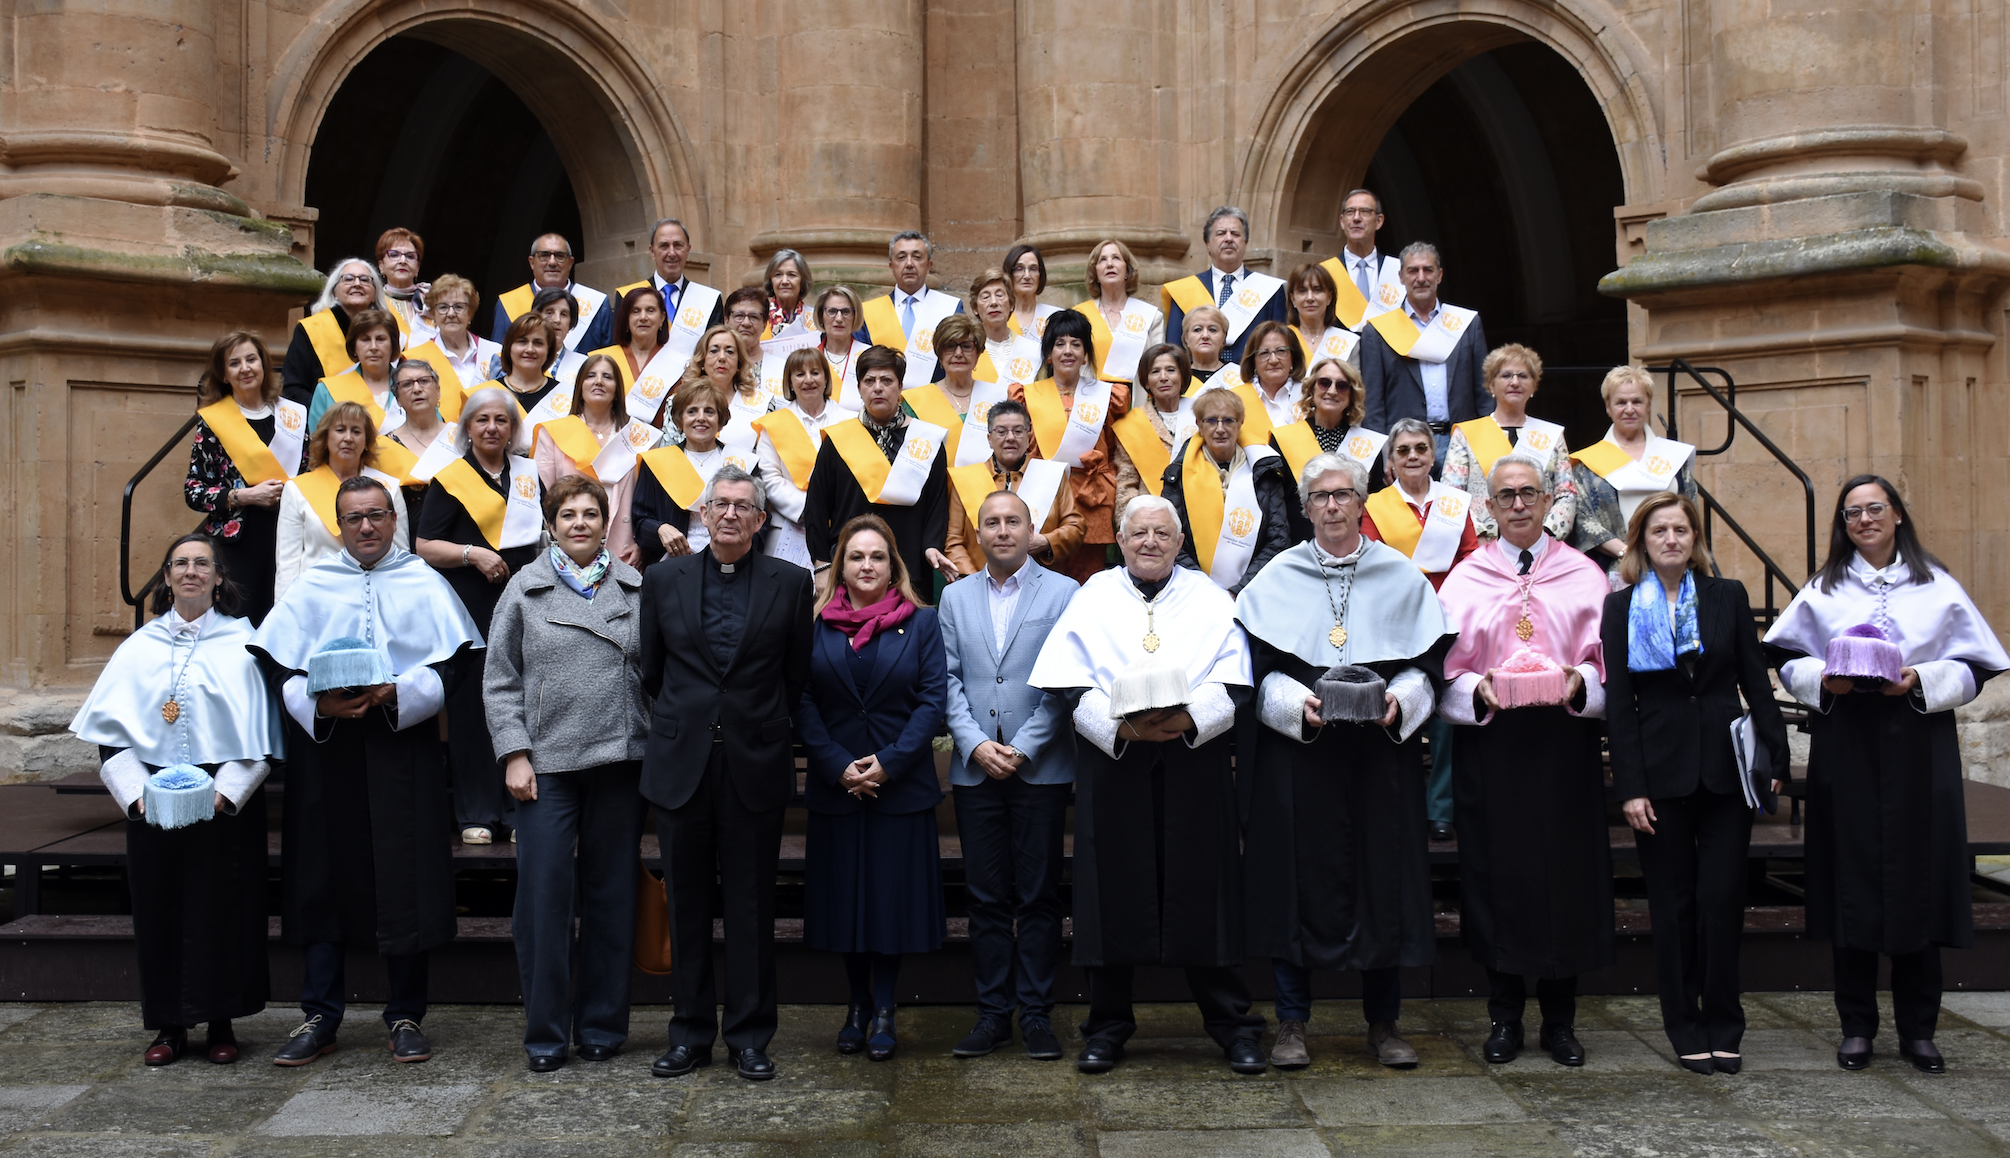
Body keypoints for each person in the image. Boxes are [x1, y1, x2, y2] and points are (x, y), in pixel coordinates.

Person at [1764, 476, 2010, 1075]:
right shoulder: (1824, 588)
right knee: (1852, 880)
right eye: (1852, 513)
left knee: (1918, 880)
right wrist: (1824, 679)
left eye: (1875, 508)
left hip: (1917, 741)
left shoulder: (1937, 585)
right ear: (1841, 524)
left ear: (1898, 514)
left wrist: (1919, 680)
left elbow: (1977, 666)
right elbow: (1785, 656)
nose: (1865, 520)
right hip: (1847, 738)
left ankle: (1919, 1030)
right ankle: (1856, 1027)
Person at [1027, 496, 1266, 1074]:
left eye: (1162, 533)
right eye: (1139, 533)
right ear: (1121, 538)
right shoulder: (1095, 595)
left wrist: (1184, 722)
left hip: (1193, 761)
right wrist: (1121, 727)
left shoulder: (1210, 599)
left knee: (1203, 887)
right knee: (1113, 889)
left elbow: (1235, 677)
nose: (1150, 542)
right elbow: (1066, 683)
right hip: (1116, 763)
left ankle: (1233, 1024)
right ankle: (1107, 1026)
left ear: (1179, 542)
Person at [251, 475, 479, 1067]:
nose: (367, 527)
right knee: (320, 876)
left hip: (401, 747)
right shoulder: (313, 585)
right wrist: (318, 703)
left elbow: (454, 665)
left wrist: (398, 691)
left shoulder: (422, 581)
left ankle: (405, 1013)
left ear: (394, 519)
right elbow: (276, 665)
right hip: (328, 751)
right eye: (354, 519)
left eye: (377, 515)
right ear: (340, 525)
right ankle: (319, 1015)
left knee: (405, 873)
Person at [1235, 453, 1450, 1070]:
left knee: (1382, 879)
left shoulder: (1400, 575)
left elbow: (1429, 662)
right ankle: (1291, 1024)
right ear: (1305, 510)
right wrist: (1290, 703)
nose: (1332, 506)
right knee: (1291, 882)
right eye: (1321, 497)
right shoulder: (1276, 577)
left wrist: (1403, 698)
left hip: (1379, 759)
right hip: (1300, 761)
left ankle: (1384, 1024)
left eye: (1344, 495)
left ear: (1362, 502)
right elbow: (1252, 670)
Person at [69, 533, 283, 1066]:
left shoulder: (243, 642)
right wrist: (140, 799)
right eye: (181, 564)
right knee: (161, 908)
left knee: (223, 908)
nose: (191, 571)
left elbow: (259, 740)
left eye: (202, 564)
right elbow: (111, 739)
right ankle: (168, 1026)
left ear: (218, 577)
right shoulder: (137, 648)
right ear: (166, 578)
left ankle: (221, 1023)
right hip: (153, 799)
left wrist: (223, 796)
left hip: (221, 801)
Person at [1435, 452, 1612, 1068]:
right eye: (1505, 494)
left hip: (1564, 744)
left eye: (1527, 494)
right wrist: (1475, 690)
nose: (1516, 504)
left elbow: (1607, 662)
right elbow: (1444, 671)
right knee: (1496, 878)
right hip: (1495, 746)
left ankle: (1560, 1021)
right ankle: (1504, 1017)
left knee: (1566, 877)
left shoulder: (1587, 575)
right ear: (1488, 506)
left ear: (1546, 502)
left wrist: (1580, 681)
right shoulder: (1465, 578)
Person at [640, 465, 816, 1082]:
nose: (731, 515)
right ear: (704, 513)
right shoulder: (662, 580)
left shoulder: (791, 583)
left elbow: (795, 675)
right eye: (721, 505)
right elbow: (653, 673)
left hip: (754, 762)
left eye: (744, 506)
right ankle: (689, 1034)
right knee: (686, 904)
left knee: (750, 905)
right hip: (682, 761)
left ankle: (748, 1035)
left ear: (761, 520)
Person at [1603, 492, 1788, 1075]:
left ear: (1695, 538)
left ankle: (1724, 1023)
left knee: (1720, 900)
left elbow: (1756, 684)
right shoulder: (1622, 607)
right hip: (1658, 775)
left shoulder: (1726, 596)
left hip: (1725, 773)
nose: (1671, 539)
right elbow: (1620, 708)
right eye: (1659, 531)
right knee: (1673, 905)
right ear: (1641, 543)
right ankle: (1684, 1025)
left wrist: (1776, 758)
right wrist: (1629, 786)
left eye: (1681, 530)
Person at [484, 474, 648, 1073]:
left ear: (606, 521)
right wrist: (514, 752)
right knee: (544, 900)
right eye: (567, 514)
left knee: (612, 896)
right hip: (546, 767)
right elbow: (500, 679)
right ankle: (547, 1034)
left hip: (620, 761)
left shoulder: (636, 588)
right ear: (550, 524)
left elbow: (656, 676)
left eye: (590, 513)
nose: (579, 523)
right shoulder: (523, 591)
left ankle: (603, 1025)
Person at [795, 516, 947, 1061]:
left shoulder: (922, 624)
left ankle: (884, 1007)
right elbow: (802, 700)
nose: (866, 566)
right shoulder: (814, 623)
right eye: (856, 557)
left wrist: (888, 764)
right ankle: (855, 1006)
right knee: (845, 903)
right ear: (841, 565)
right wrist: (837, 765)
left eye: (877, 557)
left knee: (888, 903)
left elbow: (933, 702)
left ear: (893, 566)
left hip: (898, 788)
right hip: (837, 787)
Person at [939, 490, 1080, 1061]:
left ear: (1031, 529)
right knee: (986, 896)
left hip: (1039, 767)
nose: (1002, 531)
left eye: (1012, 522)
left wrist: (1020, 749)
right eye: (991, 522)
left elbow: (1068, 682)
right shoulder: (953, 597)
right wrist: (974, 745)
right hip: (976, 772)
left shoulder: (1065, 592)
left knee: (1040, 896)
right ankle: (993, 1014)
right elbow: (945, 679)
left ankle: (1039, 1015)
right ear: (977, 532)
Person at [414, 387, 545, 845]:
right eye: (482, 420)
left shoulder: (528, 476)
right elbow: (425, 545)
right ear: (467, 427)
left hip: (525, 603)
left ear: (512, 429)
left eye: (501, 420)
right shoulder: (451, 477)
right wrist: (474, 554)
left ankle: (517, 807)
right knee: (473, 708)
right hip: (469, 604)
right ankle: (478, 811)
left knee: (521, 702)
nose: (492, 428)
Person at [1362, 417, 1480, 843]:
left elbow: (1471, 556)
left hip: (1449, 622)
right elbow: (1371, 562)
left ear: (1433, 455)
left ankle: (1440, 807)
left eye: (1421, 448)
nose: (1413, 456)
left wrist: (1450, 599)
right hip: (1396, 623)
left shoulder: (1455, 502)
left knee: (1447, 714)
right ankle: (1400, 805)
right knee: (1400, 708)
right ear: (1390, 462)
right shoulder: (1374, 506)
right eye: (1403, 450)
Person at [801, 345, 950, 584]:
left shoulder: (926, 440)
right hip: (849, 566)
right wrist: (821, 564)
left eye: (887, 380)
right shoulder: (838, 440)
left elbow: (937, 505)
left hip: (909, 567)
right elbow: (817, 506)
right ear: (859, 388)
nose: (878, 387)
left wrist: (932, 545)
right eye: (869, 381)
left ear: (901, 387)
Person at [185, 331, 305, 625]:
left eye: (252, 359)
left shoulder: (292, 415)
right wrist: (244, 496)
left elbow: (310, 472)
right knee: (241, 623)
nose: (245, 368)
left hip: (288, 534)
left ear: (263, 364)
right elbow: (194, 491)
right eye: (234, 363)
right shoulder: (214, 420)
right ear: (224, 375)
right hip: (238, 542)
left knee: (283, 620)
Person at [1012, 309, 1127, 583]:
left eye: (1076, 344)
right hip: (1044, 498)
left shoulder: (1107, 396)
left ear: (1086, 353)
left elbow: (1112, 445)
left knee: (1090, 582)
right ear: (1048, 354)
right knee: (1044, 581)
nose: (1068, 351)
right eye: (1060, 344)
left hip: (1092, 497)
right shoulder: (1028, 396)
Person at [1359, 243, 1492, 451]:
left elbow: (1484, 393)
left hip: (1461, 444)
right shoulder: (1377, 332)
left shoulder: (1466, 324)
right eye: (1413, 271)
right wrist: (1384, 454)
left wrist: (1486, 444)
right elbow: (1373, 404)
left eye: (1428, 270)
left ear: (1439, 276)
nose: (1421, 278)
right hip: (1405, 448)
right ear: (1401, 277)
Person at [1570, 365, 1698, 579]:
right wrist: (1626, 552)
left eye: (1637, 401)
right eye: (1621, 402)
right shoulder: (1588, 463)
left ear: (1648, 405)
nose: (1629, 409)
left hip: (1673, 566)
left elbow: (1690, 510)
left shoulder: (1673, 457)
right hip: (1617, 568)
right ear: (1608, 407)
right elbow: (1582, 520)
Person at [534, 353, 661, 567]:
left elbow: (651, 503)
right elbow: (542, 500)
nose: (599, 381)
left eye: (607, 377)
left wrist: (642, 545)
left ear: (618, 389)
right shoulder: (553, 433)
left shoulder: (640, 437)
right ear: (580, 385)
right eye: (591, 375)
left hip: (625, 550)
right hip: (570, 548)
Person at [274, 401, 410, 600]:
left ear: (366, 441)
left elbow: (400, 554)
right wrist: (283, 613)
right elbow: (288, 564)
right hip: (318, 597)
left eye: (356, 431)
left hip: (377, 595)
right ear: (326, 437)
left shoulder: (389, 487)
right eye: (340, 430)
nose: (348, 438)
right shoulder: (296, 489)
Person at [1441, 344, 1576, 541]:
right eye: (1506, 376)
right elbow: (1452, 495)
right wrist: (1481, 536)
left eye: (1523, 376)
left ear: (1533, 385)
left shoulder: (1551, 435)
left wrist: (1547, 535)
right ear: (1491, 385)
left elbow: (1567, 494)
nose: (1515, 382)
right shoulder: (1466, 434)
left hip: (1542, 546)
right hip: (1483, 546)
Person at [1164, 389, 1291, 593]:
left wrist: (1240, 590)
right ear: (1199, 425)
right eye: (1211, 420)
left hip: (1254, 591)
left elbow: (1278, 540)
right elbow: (1169, 537)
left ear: (1241, 423)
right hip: (1193, 592)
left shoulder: (1264, 471)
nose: (1220, 428)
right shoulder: (1177, 473)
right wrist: (1205, 588)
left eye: (1228, 420)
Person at [942, 398, 1083, 578]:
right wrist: (975, 582)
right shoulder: (966, 479)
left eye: (1018, 431)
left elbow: (1075, 526)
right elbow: (953, 541)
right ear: (989, 439)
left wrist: (1047, 541)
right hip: (980, 580)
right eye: (1001, 432)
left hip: (1039, 584)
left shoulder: (1052, 475)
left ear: (1028, 436)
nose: (1010, 438)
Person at [633, 381, 758, 565]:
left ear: (721, 421)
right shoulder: (656, 462)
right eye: (692, 411)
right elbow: (640, 522)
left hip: (732, 564)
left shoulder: (742, 463)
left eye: (709, 411)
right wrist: (660, 529)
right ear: (679, 420)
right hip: (673, 565)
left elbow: (760, 520)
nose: (701, 418)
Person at [1161, 206, 1289, 366]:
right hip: (1198, 384)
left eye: (1235, 234)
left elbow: (1279, 343)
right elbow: (1175, 349)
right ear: (1208, 243)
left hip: (1252, 383)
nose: (1229, 239)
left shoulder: (1270, 289)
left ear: (1245, 242)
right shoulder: (1184, 290)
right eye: (1221, 233)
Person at [1272, 356, 1383, 539]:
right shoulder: (1282, 440)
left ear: (1351, 395)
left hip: (1353, 549)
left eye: (1342, 386)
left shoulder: (1369, 444)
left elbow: (1374, 508)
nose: (1332, 391)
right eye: (1324, 383)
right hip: (1299, 547)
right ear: (1312, 390)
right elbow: (1276, 507)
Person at [753, 348, 845, 568]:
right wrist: (812, 512)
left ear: (825, 378)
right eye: (800, 374)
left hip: (841, 527)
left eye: (815, 372)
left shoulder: (849, 420)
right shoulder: (773, 424)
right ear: (790, 382)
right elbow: (769, 478)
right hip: (790, 526)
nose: (808, 380)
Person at [612, 217, 726, 385]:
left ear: (688, 250)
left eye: (678, 245)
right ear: (652, 251)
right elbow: (619, 347)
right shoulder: (627, 296)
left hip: (691, 394)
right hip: (638, 389)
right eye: (664, 246)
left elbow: (714, 352)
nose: (671, 253)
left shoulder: (709, 299)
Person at [860, 231, 965, 388]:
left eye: (917, 257)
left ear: (929, 265)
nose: (909, 264)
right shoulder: (868, 312)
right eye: (901, 257)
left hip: (937, 401)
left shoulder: (950, 307)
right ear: (891, 266)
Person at [1110, 344, 1199, 515]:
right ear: (1146, 381)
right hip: (1153, 519)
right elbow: (1126, 483)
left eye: (1171, 370)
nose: (1163, 377)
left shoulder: (1202, 414)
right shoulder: (1131, 424)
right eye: (1155, 371)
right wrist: (1133, 528)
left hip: (1199, 514)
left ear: (1183, 376)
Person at [903, 314, 1000, 469]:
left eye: (966, 346)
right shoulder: (915, 401)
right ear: (939, 354)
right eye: (950, 346)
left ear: (978, 354)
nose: (958, 353)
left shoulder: (999, 396)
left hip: (992, 487)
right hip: (938, 489)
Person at [490, 232, 612, 354]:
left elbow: (608, 360)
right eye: (544, 255)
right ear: (532, 262)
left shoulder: (597, 303)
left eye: (560, 256)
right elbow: (499, 357)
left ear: (570, 263)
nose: (552, 262)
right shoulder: (508, 303)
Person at [281, 258, 382, 404]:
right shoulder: (311, 329)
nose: (357, 284)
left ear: (374, 293)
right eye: (348, 279)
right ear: (334, 290)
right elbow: (293, 388)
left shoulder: (387, 332)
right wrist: (325, 412)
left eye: (365, 280)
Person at [1074, 239, 1166, 385]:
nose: (1109, 264)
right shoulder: (1079, 316)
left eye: (1116, 258)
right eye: (1102, 260)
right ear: (1095, 273)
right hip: (1089, 402)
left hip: (1137, 402)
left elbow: (1160, 365)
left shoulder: (1151, 316)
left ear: (1128, 271)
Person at [382, 358, 457, 533]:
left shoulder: (462, 437)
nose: (417, 389)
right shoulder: (385, 446)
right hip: (409, 536)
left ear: (438, 390)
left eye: (424, 381)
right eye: (407, 384)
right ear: (398, 398)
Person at [401, 274, 501, 401]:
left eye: (459, 307)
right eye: (443, 307)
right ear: (433, 314)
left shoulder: (495, 353)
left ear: (470, 313)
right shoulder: (415, 360)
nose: (451, 313)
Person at [1318, 189, 1404, 333]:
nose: (1356, 218)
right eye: (1350, 212)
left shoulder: (1398, 271)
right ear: (1342, 221)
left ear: (1379, 221)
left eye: (1365, 211)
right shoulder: (1324, 273)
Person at [305, 307, 400, 433]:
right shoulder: (326, 391)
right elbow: (318, 445)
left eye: (380, 339)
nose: (373, 347)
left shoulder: (415, 385)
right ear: (354, 347)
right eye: (365, 340)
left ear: (393, 345)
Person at [483, 313, 564, 452]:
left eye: (538, 343)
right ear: (509, 347)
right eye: (522, 341)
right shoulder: (485, 394)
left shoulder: (565, 396)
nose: (530, 349)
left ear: (549, 350)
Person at [588, 286, 670, 416]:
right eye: (635, 311)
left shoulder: (679, 364)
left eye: (650, 310)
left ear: (662, 318)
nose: (643, 317)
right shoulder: (600, 359)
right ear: (626, 319)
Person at [969, 266, 1044, 388]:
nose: (994, 302)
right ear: (975, 308)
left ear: (1011, 304)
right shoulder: (968, 349)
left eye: (999, 295)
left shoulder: (1033, 350)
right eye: (986, 297)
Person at [1285, 261, 1359, 367]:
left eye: (1317, 290)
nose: (1310, 298)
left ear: (1329, 297)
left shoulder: (1348, 342)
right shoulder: (1282, 338)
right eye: (1302, 291)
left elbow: (1354, 382)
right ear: (1293, 299)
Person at [1236, 319, 1307, 430]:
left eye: (1281, 351)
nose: (1273, 360)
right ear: (1253, 360)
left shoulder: (1309, 396)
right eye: (1264, 353)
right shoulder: (1235, 399)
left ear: (1293, 357)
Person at [812, 284, 866, 409]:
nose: (839, 318)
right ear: (821, 316)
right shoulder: (809, 359)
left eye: (846, 312)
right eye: (832, 311)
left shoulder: (868, 355)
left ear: (855, 316)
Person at [374, 227, 427, 339]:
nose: (403, 261)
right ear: (381, 266)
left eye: (410, 256)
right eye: (394, 255)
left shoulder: (431, 303)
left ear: (417, 268)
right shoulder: (373, 303)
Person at [534, 287, 589, 390]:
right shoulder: (523, 358)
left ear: (570, 323)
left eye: (564, 314)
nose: (557, 320)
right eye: (549, 313)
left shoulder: (585, 365)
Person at [1004, 243, 1061, 339]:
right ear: (1009, 274)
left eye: (1033, 268)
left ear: (1040, 275)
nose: (1027, 276)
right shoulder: (999, 317)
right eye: (1019, 268)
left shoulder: (1056, 316)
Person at [724, 287, 772, 389]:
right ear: (726, 321)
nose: (746, 323)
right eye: (739, 315)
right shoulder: (716, 365)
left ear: (764, 325)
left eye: (754, 317)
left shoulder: (781, 368)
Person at [761, 248, 813, 336]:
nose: (784, 281)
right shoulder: (760, 317)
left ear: (802, 281)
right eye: (778, 275)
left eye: (792, 275)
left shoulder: (815, 319)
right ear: (771, 281)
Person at [1183, 306, 1234, 387]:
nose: (1205, 335)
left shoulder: (1238, 376)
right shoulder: (1180, 377)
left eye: (1212, 330)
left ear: (1224, 337)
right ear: (1186, 338)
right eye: (1197, 329)